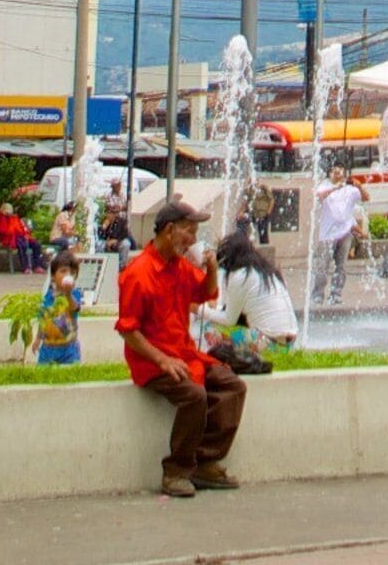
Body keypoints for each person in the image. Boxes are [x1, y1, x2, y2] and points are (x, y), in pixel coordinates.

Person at [119, 200, 242, 499]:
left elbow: (205, 293)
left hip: (184, 353)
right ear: (171, 230)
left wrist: (212, 268)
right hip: (153, 361)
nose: (193, 239)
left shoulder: (180, 266)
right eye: (189, 231)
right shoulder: (139, 272)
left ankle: (205, 460)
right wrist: (162, 360)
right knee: (194, 395)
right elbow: (128, 330)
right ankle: (176, 470)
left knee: (232, 386)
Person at [210, 227, 301, 351]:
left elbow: (229, 319)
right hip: (289, 344)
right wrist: (212, 308)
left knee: (215, 332)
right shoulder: (268, 272)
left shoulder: (240, 275)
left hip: (269, 343)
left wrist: (198, 309)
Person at [313, 169, 365, 302]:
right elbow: (319, 195)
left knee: (340, 266)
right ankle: (318, 295)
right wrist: (335, 188)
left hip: (345, 234)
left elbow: (366, 198)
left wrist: (359, 186)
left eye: (340, 172)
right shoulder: (324, 185)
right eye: (334, 172)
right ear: (329, 174)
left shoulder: (350, 190)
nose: (337, 175)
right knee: (322, 265)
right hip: (328, 236)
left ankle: (336, 294)